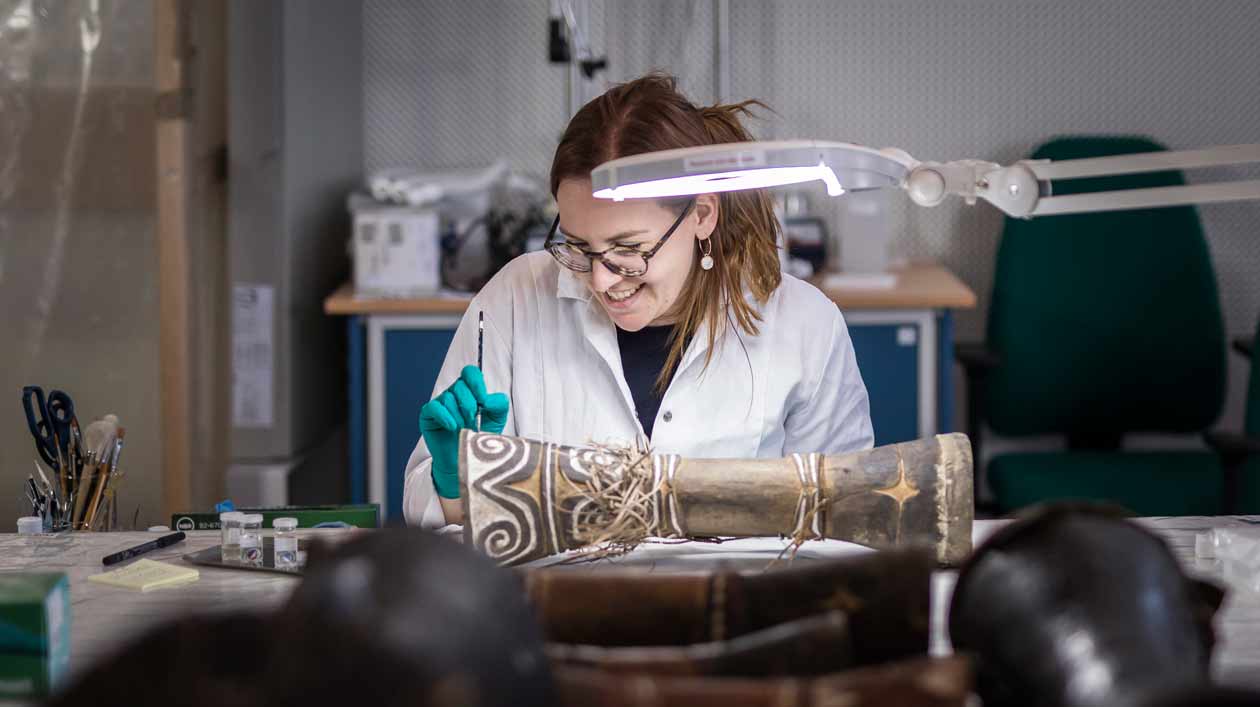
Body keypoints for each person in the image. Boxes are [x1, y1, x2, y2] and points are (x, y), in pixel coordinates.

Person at [404, 73, 873, 528]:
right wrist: (455, 484)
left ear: (702, 215)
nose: (602, 279)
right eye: (579, 246)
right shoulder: (514, 300)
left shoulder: (804, 326)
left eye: (628, 249)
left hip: (735, 604)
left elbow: (845, 518)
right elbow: (435, 514)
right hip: (556, 604)